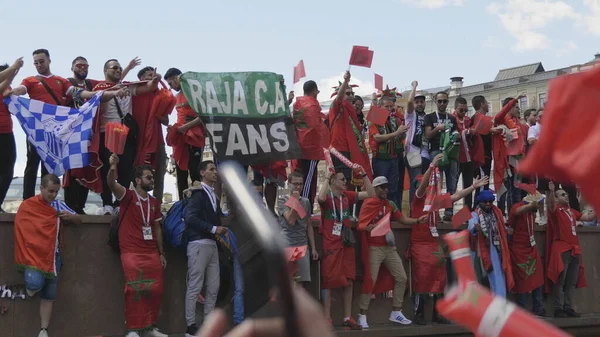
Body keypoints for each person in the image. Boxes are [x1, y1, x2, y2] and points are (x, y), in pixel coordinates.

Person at [6, 49, 124, 200]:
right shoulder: (30, 80)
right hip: (37, 129)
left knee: (49, 166)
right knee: (32, 164)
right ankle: (28, 200)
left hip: (56, 131)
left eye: (42, 61)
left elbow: (79, 93)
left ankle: (46, 200)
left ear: (49, 60)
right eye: (36, 63)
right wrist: (12, 91)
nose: (39, 65)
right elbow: (21, 90)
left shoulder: (60, 81)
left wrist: (102, 94)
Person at [410, 154, 489, 325]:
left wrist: (473, 186)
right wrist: (431, 168)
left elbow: (455, 196)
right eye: (426, 184)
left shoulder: (436, 201)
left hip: (433, 243)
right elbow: (422, 188)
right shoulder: (418, 200)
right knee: (422, 277)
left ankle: (439, 314)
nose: (429, 187)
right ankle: (419, 312)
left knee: (440, 277)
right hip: (419, 243)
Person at [14, 174, 81, 337]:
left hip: (53, 257)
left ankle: (43, 329)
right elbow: (21, 227)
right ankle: (32, 288)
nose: (53, 195)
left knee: (49, 294)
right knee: (35, 283)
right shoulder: (28, 205)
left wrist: (71, 217)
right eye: (50, 191)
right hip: (32, 255)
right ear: (41, 188)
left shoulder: (58, 206)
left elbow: (79, 219)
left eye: (56, 192)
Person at [356, 176, 428, 328]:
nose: (385, 190)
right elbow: (360, 223)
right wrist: (366, 227)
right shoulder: (368, 203)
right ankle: (362, 315)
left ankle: (396, 311)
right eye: (381, 187)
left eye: (386, 187)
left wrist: (416, 221)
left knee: (402, 277)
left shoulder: (391, 204)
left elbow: (401, 219)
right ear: (374, 189)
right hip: (374, 247)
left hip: (389, 247)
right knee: (371, 280)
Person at [107, 154, 167, 337]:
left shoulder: (154, 202)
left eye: (152, 177)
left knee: (155, 289)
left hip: (151, 252)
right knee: (134, 288)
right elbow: (111, 184)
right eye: (149, 177)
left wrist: (161, 253)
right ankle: (132, 329)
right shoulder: (128, 196)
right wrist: (112, 167)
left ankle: (150, 327)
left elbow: (156, 228)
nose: (152, 181)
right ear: (138, 180)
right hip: (131, 251)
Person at [96, 59, 160, 215]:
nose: (118, 70)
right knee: (107, 168)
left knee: (125, 170)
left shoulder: (128, 87)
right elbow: (100, 98)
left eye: (120, 68)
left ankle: (119, 204)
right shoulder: (99, 88)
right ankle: (107, 204)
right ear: (105, 71)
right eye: (114, 68)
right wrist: (115, 92)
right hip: (107, 132)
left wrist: (155, 79)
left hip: (126, 133)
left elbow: (149, 87)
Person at [317, 165, 374, 329]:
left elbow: (370, 194)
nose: (346, 182)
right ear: (333, 181)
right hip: (331, 245)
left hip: (346, 244)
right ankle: (327, 318)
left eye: (346, 179)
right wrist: (327, 178)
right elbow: (320, 199)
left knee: (349, 281)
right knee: (328, 282)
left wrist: (363, 174)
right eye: (342, 179)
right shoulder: (327, 197)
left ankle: (347, 317)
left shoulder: (347, 196)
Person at [184, 160, 227, 336]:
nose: (215, 172)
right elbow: (190, 218)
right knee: (195, 286)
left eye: (215, 169)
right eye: (211, 169)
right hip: (198, 243)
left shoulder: (212, 195)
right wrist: (214, 228)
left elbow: (217, 217)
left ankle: (208, 324)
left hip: (211, 244)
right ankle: (191, 326)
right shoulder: (197, 193)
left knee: (213, 286)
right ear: (202, 173)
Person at [546, 181, 595, 318]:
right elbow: (550, 205)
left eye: (566, 194)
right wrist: (551, 192)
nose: (566, 196)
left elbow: (588, 217)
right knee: (560, 279)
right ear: (556, 199)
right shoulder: (555, 210)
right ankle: (558, 308)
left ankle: (568, 307)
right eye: (562, 195)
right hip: (561, 248)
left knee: (572, 281)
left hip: (575, 249)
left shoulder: (571, 211)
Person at [164, 67, 206, 200]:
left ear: (177, 78)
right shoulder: (177, 97)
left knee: (195, 171)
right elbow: (179, 118)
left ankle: (197, 202)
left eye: (171, 83)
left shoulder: (194, 93)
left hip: (194, 136)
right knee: (181, 171)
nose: (171, 87)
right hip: (181, 137)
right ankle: (182, 203)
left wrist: (186, 126)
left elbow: (204, 116)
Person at [328, 71, 372, 186]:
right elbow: (339, 98)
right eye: (348, 93)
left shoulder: (351, 111)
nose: (352, 96)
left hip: (351, 151)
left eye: (352, 93)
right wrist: (346, 81)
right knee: (343, 182)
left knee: (353, 184)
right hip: (339, 151)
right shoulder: (336, 107)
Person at [292, 80, 330, 211]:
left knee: (301, 178)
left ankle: (298, 207)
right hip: (311, 148)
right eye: (317, 91)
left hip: (299, 146)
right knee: (309, 180)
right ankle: (305, 208)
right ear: (314, 90)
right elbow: (316, 126)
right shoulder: (312, 105)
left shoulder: (297, 104)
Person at [468, 190, 514, 298]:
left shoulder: (496, 212)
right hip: (481, 251)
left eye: (490, 201)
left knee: (499, 278)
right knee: (480, 281)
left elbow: (502, 226)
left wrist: (507, 230)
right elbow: (471, 225)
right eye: (485, 202)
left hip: (497, 250)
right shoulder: (474, 214)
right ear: (480, 202)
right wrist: (475, 228)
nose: (488, 204)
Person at [507, 190, 546, 317]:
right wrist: (532, 204)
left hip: (531, 247)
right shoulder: (517, 207)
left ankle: (538, 308)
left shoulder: (532, 211)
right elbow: (518, 211)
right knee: (522, 279)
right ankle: (521, 310)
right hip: (518, 249)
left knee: (538, 276)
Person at [368, 88, 409, 208]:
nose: (390, 109)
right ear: (380, 107)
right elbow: (377, 138)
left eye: (392, 106)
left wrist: (403, 132)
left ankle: (393, 213)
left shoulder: (394, 118)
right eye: (387, 106)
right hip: (381, 159)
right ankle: (379, 212)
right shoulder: (375, 116)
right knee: (380, 188)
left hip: (394, 158)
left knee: (393, 188)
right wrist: (397, 133)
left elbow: (398, 137)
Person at [133, 66, 168, 205]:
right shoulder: (135, 90)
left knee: (159, 174)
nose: (152, 78)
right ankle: (137, 203)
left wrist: (161, 116)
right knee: (138, 173)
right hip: (139, 140)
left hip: (157, 139)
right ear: (141, 79)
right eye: (148, 75)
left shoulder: (159, 94)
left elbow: (165, 121)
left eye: (153, 75)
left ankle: (157, 206)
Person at [277, 171, 319, 287]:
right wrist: (295, 201)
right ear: (289, 184)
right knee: (289, 284)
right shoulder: (282, 201)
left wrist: (313, 248)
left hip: (302, 245)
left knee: (301, 284)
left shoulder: (305, 202)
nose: (298, 187)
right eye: (295, 184)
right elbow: (291, 221)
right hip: (287, 245)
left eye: (300, 184)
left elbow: (309, 225)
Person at [424, 91, 459, 221]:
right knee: (436, 184)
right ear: (435, 102)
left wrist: (456, 135)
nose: (442, 103)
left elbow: (456, 134)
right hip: (436, 152)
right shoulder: (430, 117)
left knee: (452, 185)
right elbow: (428, 135)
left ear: (448, 101)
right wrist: (438, 128)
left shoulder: (452, 118)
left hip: (450, 153)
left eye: (444, 101)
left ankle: (449, 213)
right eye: (440, 101)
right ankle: (436, 213)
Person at [0, 60, 23, 212]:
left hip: (7, 133)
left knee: (8, 171)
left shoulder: (7, 88)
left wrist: (13, 94)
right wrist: (14, 68)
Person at [403, 81, 425, 206]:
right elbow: (410, 103)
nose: (419, 104)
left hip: (423, 152)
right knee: (416, 181)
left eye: (422, 102)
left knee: (421, 182)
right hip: (412, 151)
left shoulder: (426, 116)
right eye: (417, 102)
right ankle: (413, 208)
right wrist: (414, 87)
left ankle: (419, 207)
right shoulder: (411, 115)